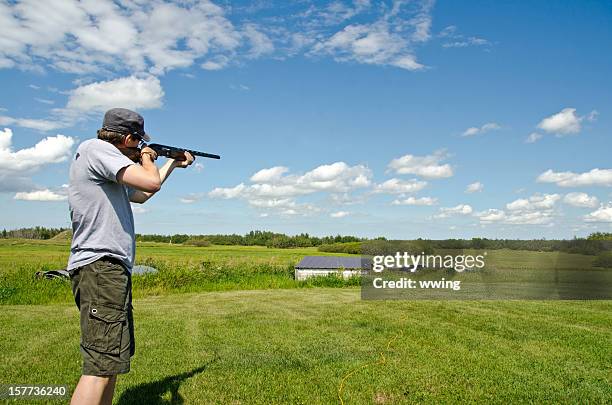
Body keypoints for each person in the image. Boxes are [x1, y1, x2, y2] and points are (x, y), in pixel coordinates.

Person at [66, 108, 195, 405]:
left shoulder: (107, 168)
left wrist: (172, 163)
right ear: (126, 138)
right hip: (101, 267)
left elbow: (144, 192)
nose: (139, 150)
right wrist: (149, 157)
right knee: (99, 366)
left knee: (110, 363)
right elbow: (151, 181)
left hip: (108, 269)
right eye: (137, 144)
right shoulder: (96, 149)